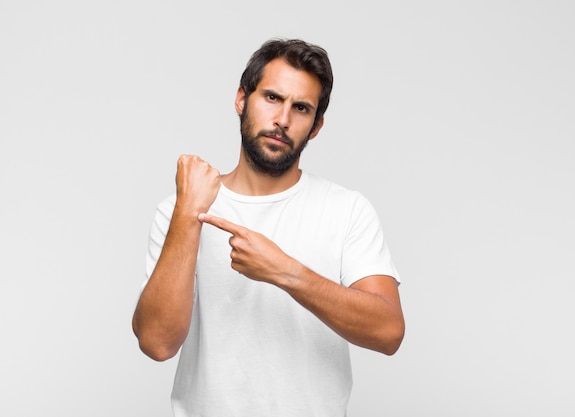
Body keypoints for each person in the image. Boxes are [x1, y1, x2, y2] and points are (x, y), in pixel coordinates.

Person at [132, 38, 405, 417]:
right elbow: (157, 343)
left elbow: (389, 331)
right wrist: (188, 213)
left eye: (301, 108)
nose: (283, 120)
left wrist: (286, 272)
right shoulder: (180, 211)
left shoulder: (346, 210)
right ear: (242, 99)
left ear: (316, 126)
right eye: (272, 98)